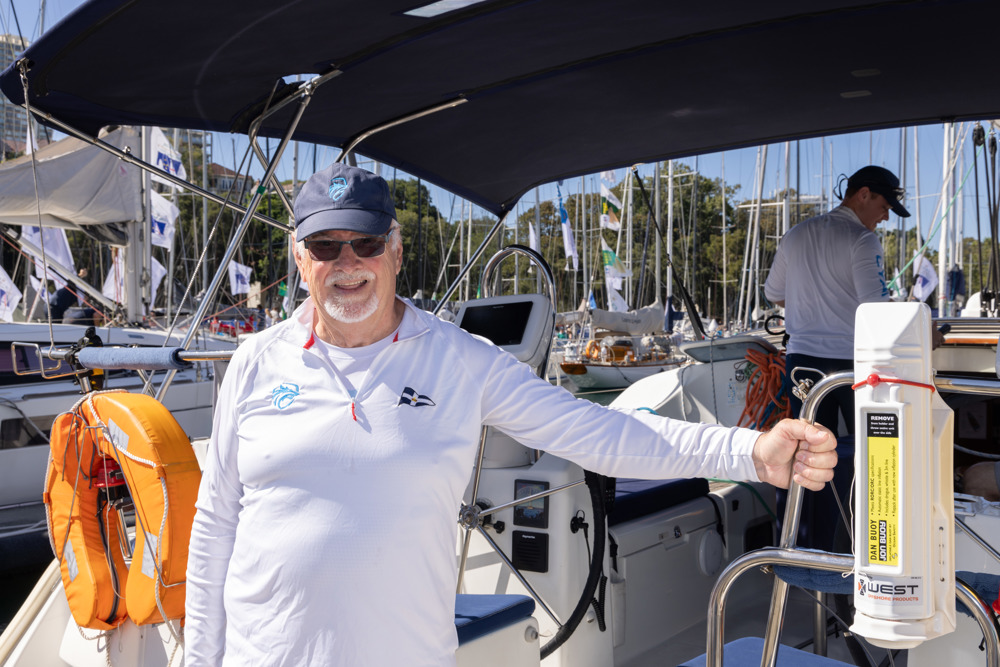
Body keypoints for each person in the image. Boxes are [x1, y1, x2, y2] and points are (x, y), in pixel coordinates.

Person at [185, 164, 838, 667]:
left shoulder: (459, 361)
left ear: (396, 247)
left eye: (365, 242)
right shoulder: (254, 362)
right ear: (300, 258)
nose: (347, 263)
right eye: (327, 245)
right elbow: (215, 525)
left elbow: (603, 434)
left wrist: (748, 452)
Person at [764, 165, 929, 550]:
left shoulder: (797, 234)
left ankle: (801, 547)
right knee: (874, 456)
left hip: (803, 365)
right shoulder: (862, 239)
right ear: (865, 194)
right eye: (886, 206)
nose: (886, 216)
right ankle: (867, 544)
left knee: (804, 456)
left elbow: (775, 293)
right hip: (853, 366)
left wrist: (811, 303)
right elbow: (876, 307)